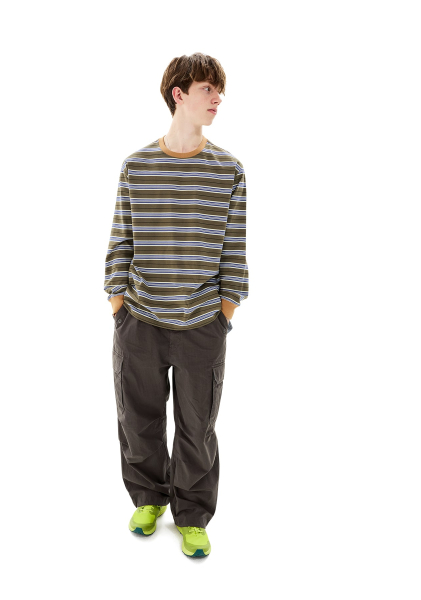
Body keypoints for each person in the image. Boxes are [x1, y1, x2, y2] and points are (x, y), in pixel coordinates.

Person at [104, 52, 249, 558]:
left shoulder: (228, 170)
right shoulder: (137, 166)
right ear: (179, 94)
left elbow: (234, 251)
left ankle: (192, 515)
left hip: (202, 322)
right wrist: (118, 305)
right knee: (138, 419)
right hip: (139, 320)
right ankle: (148, 498)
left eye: (219, 90)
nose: (218, 98)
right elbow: (121, 241)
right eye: (208, 89)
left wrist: (225, 313)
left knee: (197, 426)